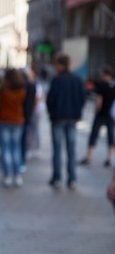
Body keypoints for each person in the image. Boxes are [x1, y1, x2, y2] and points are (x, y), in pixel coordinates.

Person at [46, 52, 85, 190]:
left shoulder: (56, 80)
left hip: (58, 117)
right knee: (71, 150)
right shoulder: (77, 79)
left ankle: (57, 178)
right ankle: (72, 179)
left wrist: (51, 112)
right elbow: (82, 98)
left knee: (57, 150)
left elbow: (50, 99)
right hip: (72, 118)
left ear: (60, 65)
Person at [0, 69, 26, 187]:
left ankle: (7, 176)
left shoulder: (3, 90)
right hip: (17, 121)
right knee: (16, 149)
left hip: (3, 121)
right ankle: (17, 176)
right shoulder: (21, 91)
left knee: (5, 150)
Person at [79, 65, 115, 167]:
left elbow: (99, 99)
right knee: (111, 137)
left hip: (101, 114)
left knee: (94, 135)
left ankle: (88, 156)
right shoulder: (113, 85)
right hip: (111, 116)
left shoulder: (103, 85)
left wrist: (96, 110)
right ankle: (109, 158)